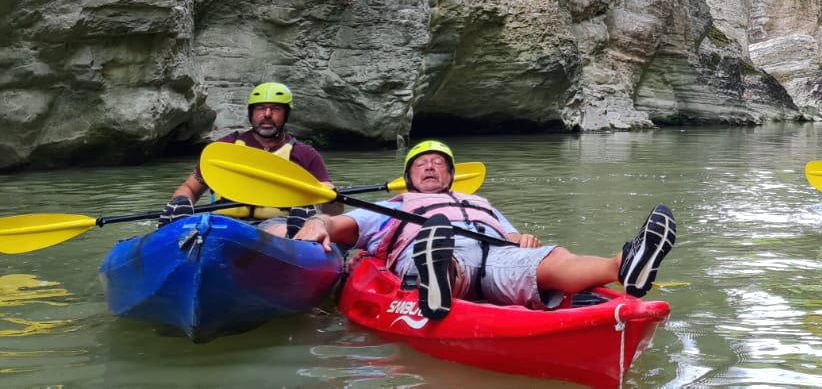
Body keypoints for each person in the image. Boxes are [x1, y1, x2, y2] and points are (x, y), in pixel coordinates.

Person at [294, 140, 677, 320]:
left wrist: (522, 241)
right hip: (432, 250)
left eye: (438, 164)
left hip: (495, 253)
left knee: (549, 259)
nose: (430, 167)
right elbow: (336, 225)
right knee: (445, 257)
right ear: (408, 177)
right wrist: (317, 221)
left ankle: (623, 264)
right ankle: (439, 278)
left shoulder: (480, 203)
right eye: (421, 164)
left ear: (451, 175)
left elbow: (510, 236)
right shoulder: (390, 206)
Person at [159, 82, 335, 236]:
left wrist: (328, 197)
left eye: (275, 109)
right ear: (251, 113)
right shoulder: (226, 148)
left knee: (279, 231)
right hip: (225, 222)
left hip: (276, 224)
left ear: (286, 114)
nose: (267, 114)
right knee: (201, 229)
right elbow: (190, 188)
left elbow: (334, 212)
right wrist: (180, 202)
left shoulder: (305, 154)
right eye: (260, 108)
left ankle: (294, 237)